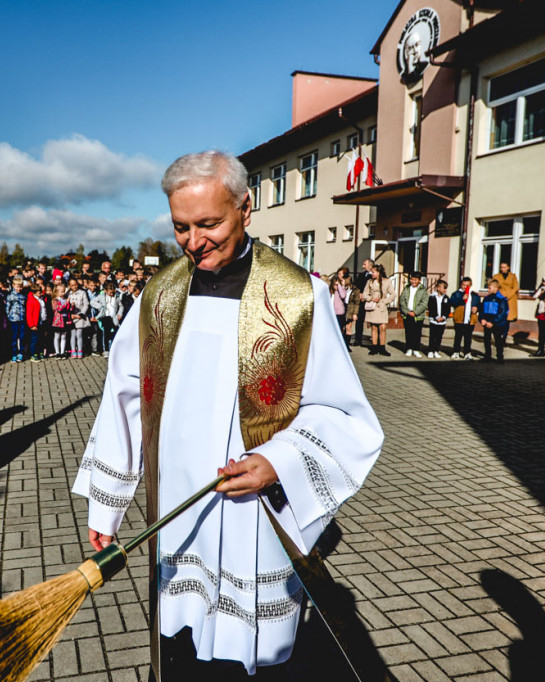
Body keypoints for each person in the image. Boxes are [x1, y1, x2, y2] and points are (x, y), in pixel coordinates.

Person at [73, 151, 382, 680]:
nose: (195, 242)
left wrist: (278, 461)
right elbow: (125, 396)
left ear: (245, 206)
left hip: (252, 509)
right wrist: (108, 505)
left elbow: (341, 412)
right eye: (181, 228)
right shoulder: (159, 294)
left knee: (255, 661)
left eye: (209, 224)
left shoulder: (299, 295)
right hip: (178, 503)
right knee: (182, 650)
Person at [361, 264, 393, 356]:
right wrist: (371, 299)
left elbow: (393, 294)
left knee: (382, 327)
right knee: (374, 327)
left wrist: (384, 301)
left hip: (382, 307)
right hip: (373, 307)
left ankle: (382, 348)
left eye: (373, 272)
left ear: (379, 272)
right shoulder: (369, 282)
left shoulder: (387, 281)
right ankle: (374, 347)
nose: (372, 273)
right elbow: (365, 294)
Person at [479, 278, 510, 362]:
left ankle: (500, 357)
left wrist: (493, 322)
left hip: (497, 324)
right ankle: (487, 355)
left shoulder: (501, 299)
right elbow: (481, 310)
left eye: (490, 288)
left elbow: (503, 313)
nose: (488, 289)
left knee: (498, 341)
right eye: (487, 287)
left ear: (496, 288)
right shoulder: (486, 298)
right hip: (487, 323)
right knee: (487, 340)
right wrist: (482, 319)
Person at [449, 277, 480, 359]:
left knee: (468, 337)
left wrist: (476, 308)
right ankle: (456, 351)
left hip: (470, 320)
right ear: (461, 285)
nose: (465, 287)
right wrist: (461, 299)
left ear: (471, 285)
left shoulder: (475, 295)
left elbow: (479, 305)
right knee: (458, 336)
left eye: (467, 285)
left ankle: (467, 352)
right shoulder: (456, 294)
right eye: (463, 285)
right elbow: (452, 302)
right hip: (459, 318)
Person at [398, 273, 428, 357]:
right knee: (408, 332)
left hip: (417, 315)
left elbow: (424, 303)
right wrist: (406, 311)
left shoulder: (423, 290)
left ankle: (416, 349)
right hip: (407, 314)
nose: (413, 281)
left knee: (417, 333)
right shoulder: (406, 288)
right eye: (412, 279)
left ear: (419, 280)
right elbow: (402, 301)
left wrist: (415, 312)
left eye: (415, 280)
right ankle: (409, 348)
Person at [92, 280, 123, 358]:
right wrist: (100, 307)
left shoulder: (117, 297)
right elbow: (92, 302)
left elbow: (121, 306)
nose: (112, 294)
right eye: (110, 293)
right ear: (105, 291)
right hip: (105, 316)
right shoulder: (101, 296)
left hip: (114, 317)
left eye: (113, 292)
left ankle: (113, 349)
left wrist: (119, 314)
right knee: (106, 333)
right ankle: (106, 350)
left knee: (114, 333)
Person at [330, 268, 359, 351]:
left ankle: (346, 346)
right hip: (341, 308)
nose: (338, 275)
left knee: (348, 327)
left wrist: (355, 313)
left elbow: (354, 301)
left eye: (340, 274)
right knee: (341, 328)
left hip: (348, 309)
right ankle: (340, 344)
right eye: (338, 274)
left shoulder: (349, 285)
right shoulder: (337, 284)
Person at [353, 259, 376, 346]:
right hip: (361, 301)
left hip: (371, 301)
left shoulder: (375, 276)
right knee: (359, 321)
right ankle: (358, 340)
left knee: (374, 322)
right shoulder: (361, 275)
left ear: (370, 266)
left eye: (364, 264)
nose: (363, 266)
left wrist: (368, 296)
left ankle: (375, 342)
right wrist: (360, 294)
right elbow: (357, 285)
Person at [67, 276, 90, 359]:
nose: (74, 286)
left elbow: (86, 304)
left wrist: (81, 314)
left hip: (80, 317)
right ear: (69, 286)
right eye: (72, 285)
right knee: (72, 334)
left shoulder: (82, 293)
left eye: (76, 284)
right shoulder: (67, 293)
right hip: (71, 317)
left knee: (79, 334)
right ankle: (73, 350)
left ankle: (80, 350)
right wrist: (70, 315)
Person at [6, 276, 27, 363]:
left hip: (22, 319)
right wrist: (9, 317)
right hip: (14, 320)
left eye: (21, 286)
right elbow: (7, 308)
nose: (19, 288)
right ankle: (14, 354)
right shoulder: (10, 296)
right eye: (17, 286)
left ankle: (20, 353)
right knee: (14, 338)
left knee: (22, 337)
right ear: (13, 285)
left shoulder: (23, 296)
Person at [427, 279, 450, 358]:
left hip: (442, 321)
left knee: (439, 337)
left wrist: (443, 317)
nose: (445, 290)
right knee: (433, 336)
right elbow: (431, 308)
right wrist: (436, 317)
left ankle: (436, 350)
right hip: (434, 321)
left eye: (446, 288)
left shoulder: (446, 298)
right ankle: (430, 350)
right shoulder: (432, 297)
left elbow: (447, 309)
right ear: (438, 288)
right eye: (444, 288)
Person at [491, 262, 519, 326]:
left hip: (511, 297)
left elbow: (515, 287)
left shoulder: (513, 276)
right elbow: (494, 286)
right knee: (500, 314)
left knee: (509, 317)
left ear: (508, 268)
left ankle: (505, 333)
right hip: (500, 296)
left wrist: (509, 295)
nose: (502, 269)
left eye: (504, 267)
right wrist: (501, 295)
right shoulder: (496, 276)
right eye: (501, 267)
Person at [51, 283, 71, 359]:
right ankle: (57, 352)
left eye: (64, 291)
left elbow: (68, 309)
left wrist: (70, 305)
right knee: (57, 336)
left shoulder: (65, 299)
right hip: (58, 321)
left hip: (65, 319)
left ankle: (62, 352)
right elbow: (58, 309)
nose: (63, 293)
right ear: (56, 292)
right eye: (61, 291)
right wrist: (66, 303)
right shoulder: (55, 300)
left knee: (64, 336)